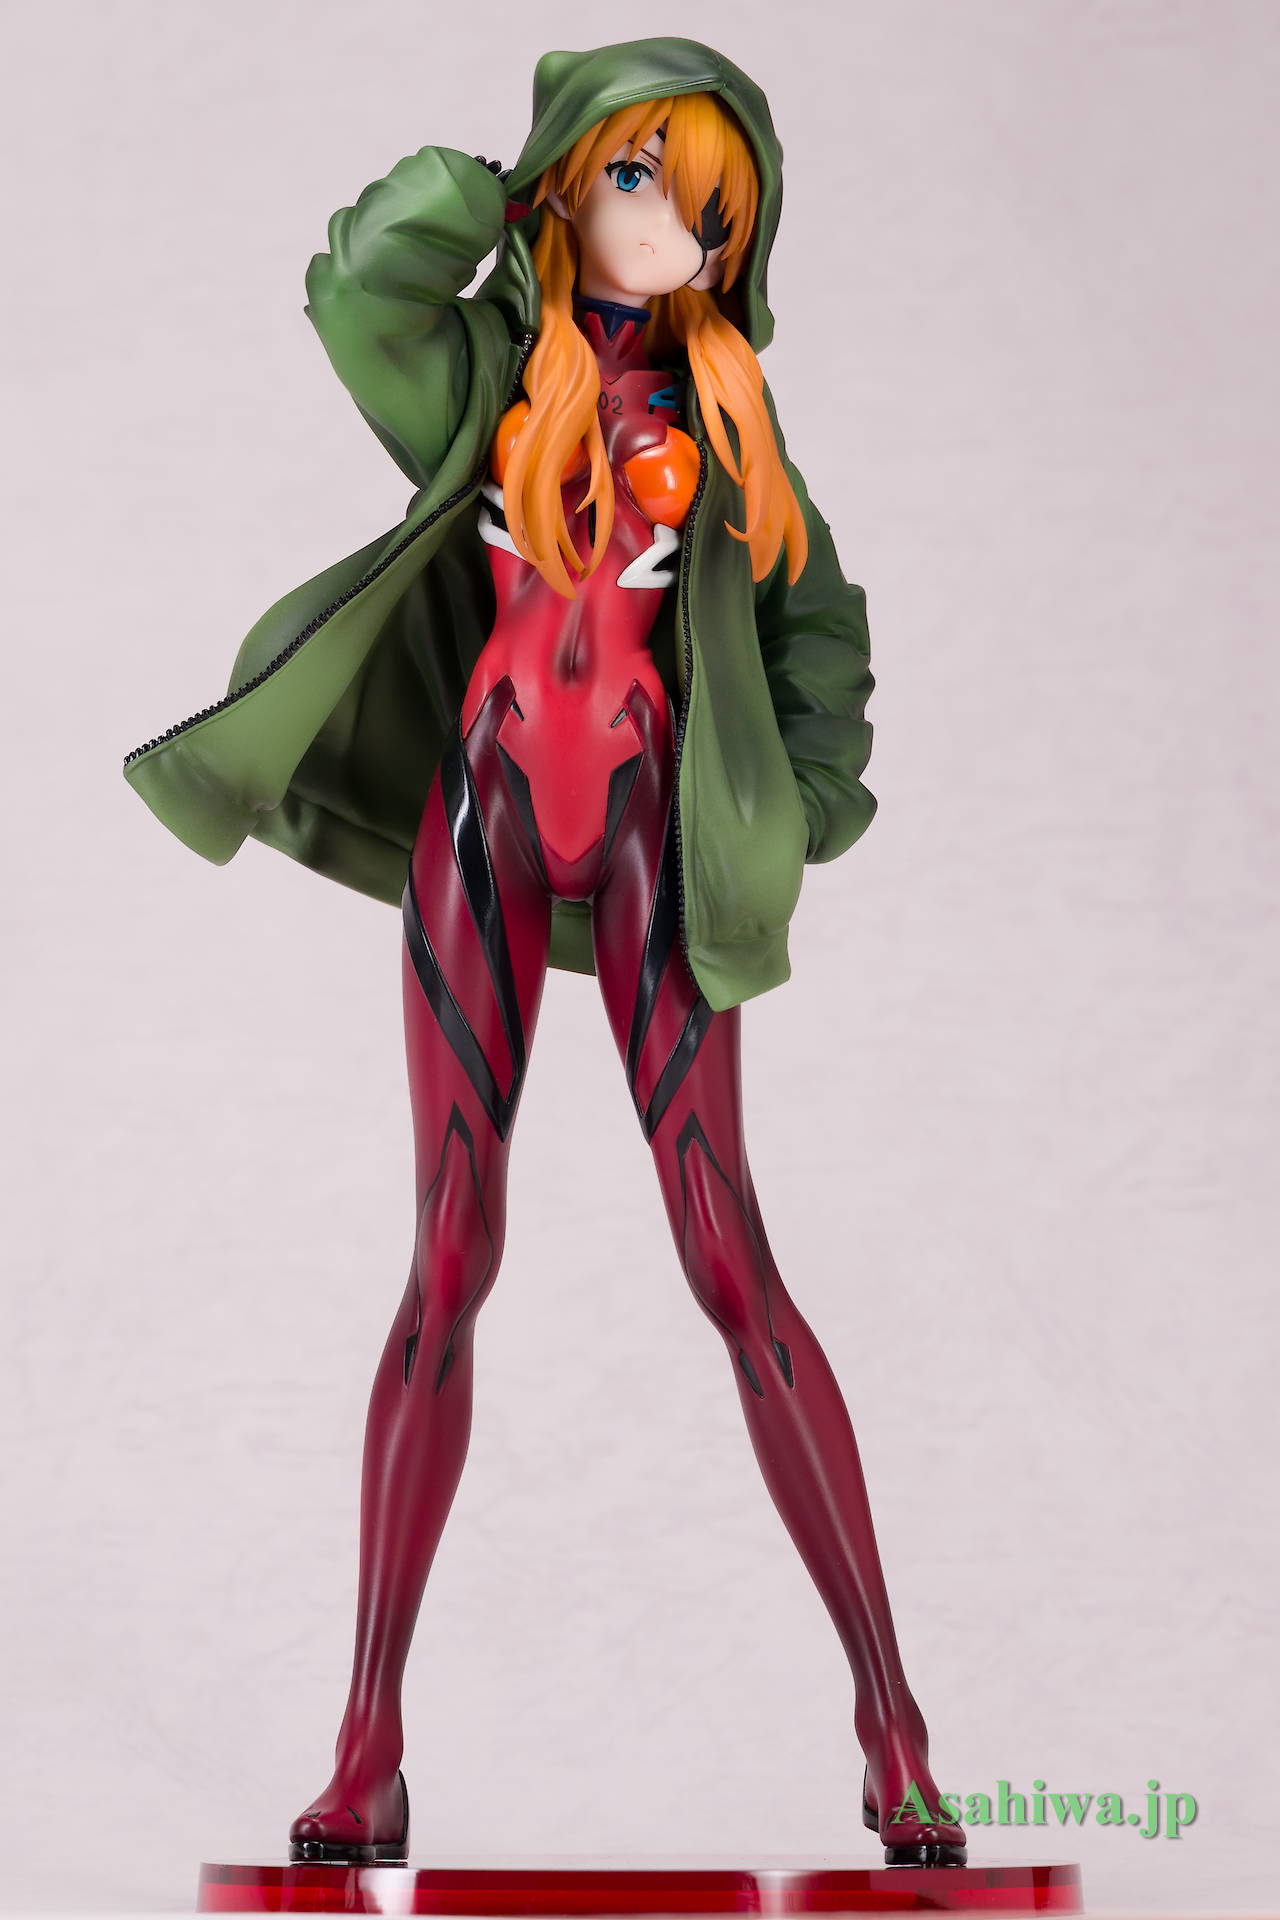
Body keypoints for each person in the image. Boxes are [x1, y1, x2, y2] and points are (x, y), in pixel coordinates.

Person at [123, 37, 967, 1873]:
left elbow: (823, 630)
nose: (674, 234)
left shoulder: (732, 429)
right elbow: (356, 284)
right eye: (641, 180)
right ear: (575, 175)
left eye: (712, 212)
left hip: (653, 825)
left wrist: (798, 806)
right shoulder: (490, 377)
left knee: (729, 1252)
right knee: (447, 1255)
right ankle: (367, 1746)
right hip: (485, 813)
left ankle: (893, 1726)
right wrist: (494, 192)